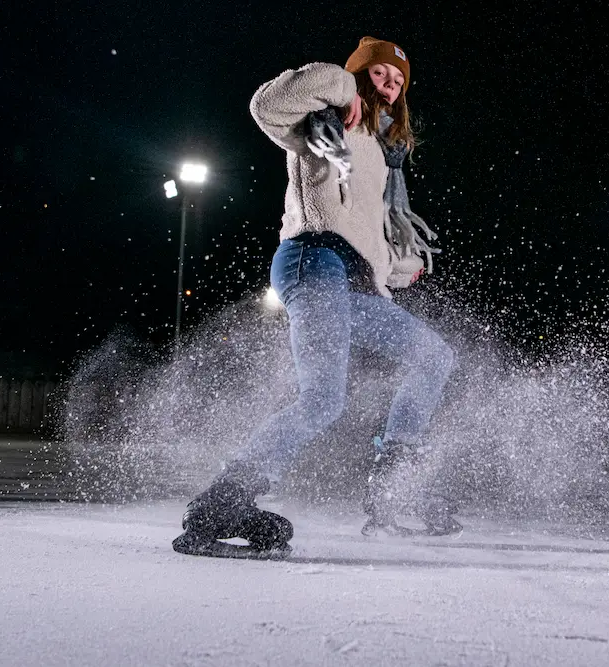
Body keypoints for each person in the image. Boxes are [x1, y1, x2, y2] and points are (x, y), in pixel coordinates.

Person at [173, 37, 458, 559]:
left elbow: (370, 230)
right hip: (312, 261)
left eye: (397, 80)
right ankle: (220, 505)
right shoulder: (322, 120)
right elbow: (265, 105)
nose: (388, 85)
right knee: (324, 400)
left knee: (434, 357)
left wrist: (399, 266)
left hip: (354, 286)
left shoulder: (381, 153)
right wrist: (341, 85)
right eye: (377, 75)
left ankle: (390, 477)